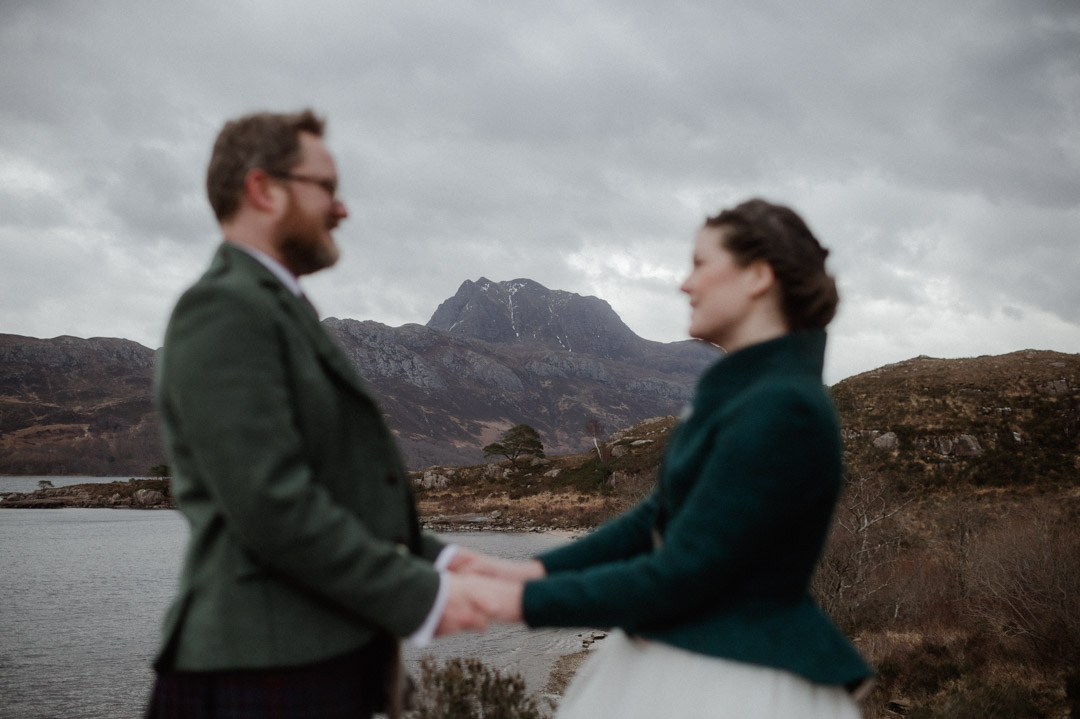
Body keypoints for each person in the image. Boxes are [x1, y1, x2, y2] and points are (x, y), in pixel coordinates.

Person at [146, 109, 511, 719]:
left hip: (301, 666)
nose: (342, 210)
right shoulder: (222, 309)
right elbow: (271, 505)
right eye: (327, 189)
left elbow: (337, 493)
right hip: (258, 674)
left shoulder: (275, 307)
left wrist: (441, 558)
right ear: (264, 189)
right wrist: (426, 596)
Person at [458, 199, 874, 718]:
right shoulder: (746, 394)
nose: (685, 284)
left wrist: (512, 604)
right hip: (699, 659)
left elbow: (681, 576)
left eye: (701, 264)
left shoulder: (783, 409)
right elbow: (655, 520)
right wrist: (528, 573)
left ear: (758, 277)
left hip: (733, 684)